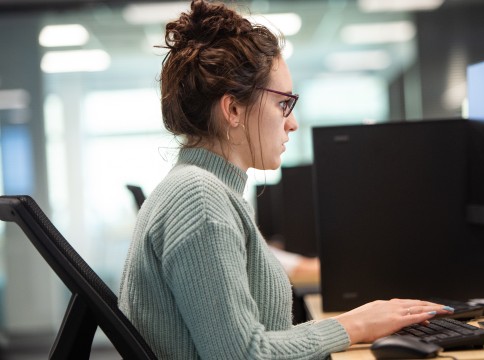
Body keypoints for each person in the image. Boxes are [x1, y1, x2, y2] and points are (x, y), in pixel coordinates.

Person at [118, 1, 453, 358]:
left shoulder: (201, 190)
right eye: (284, 104)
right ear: (233, 110)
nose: (292, 122)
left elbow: (255, 340)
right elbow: (244, 354)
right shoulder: (199, 198)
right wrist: (355, 325)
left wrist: (358, 321)